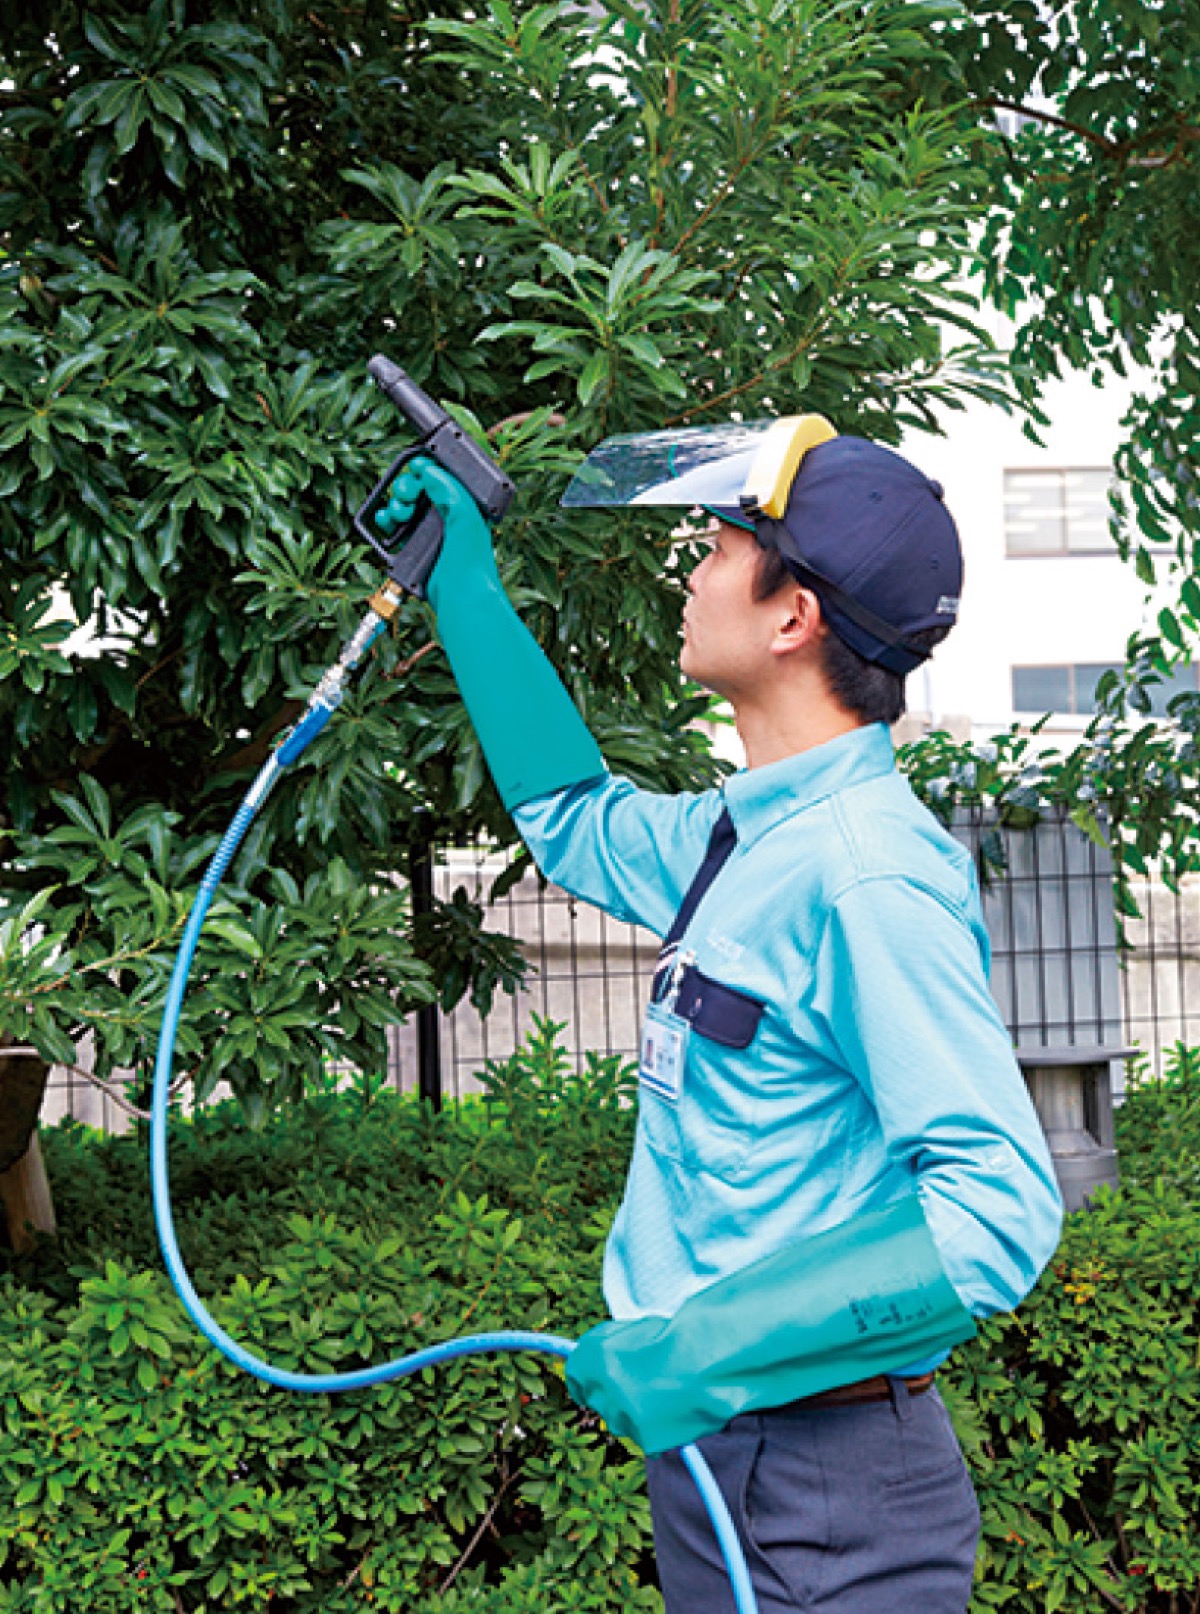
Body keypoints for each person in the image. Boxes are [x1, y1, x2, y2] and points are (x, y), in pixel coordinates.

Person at [388, 425, 1064, 1614]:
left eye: (715, 551)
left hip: (831, 1491)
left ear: (792, 616)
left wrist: (704, 1348)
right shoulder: (746, 837)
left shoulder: (867, 875)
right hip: (724, 1456)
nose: (691, 577)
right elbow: (574, 818)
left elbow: (994, 1215)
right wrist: (467, 589)